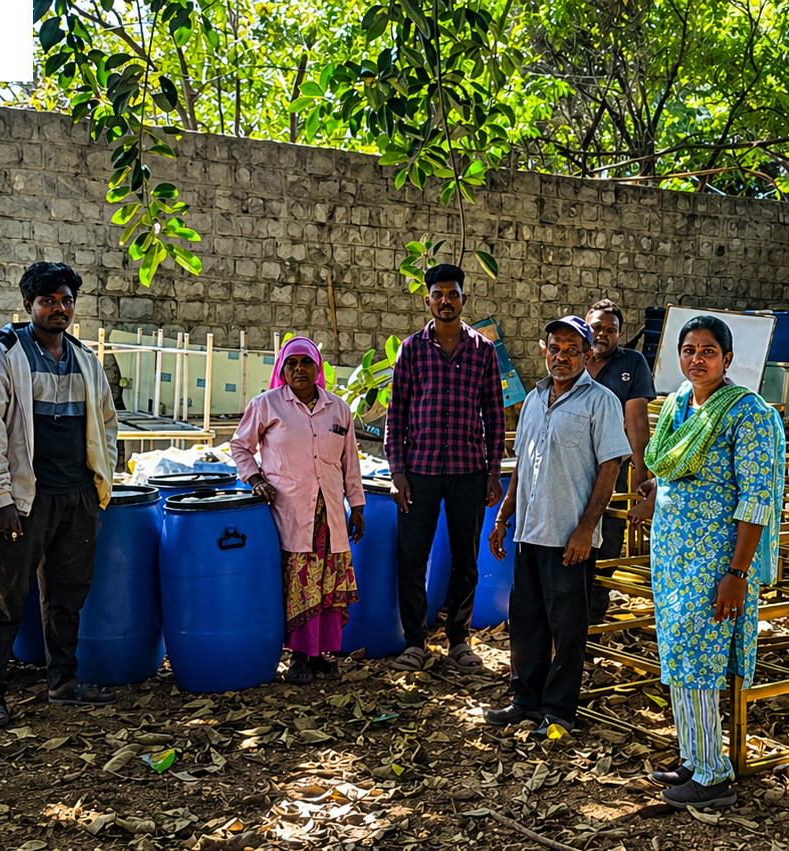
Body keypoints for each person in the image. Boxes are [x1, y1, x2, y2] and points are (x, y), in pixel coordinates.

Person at [638, 316, 783, 809]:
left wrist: (737, 574)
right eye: (688, 349)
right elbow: (676, 470)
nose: (696, 358)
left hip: (714, 561)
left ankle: (714, 778)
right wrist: (655, 489)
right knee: (679, 655)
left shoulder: (748, 414)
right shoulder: (680, 402)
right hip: (673, 555)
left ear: (727, 358)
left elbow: (757, 499)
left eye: (707, 350)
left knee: (699, 661)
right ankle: (692, 757)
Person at [0, 262, 119, 726]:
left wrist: (98, 485)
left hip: (76, 497)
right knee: (4, 596)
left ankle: (63, 681)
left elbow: (107, 425)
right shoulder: (4, 354)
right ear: (28, 304)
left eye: (66, 300)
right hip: (24, 501)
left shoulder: (84, 358)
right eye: (48, 300)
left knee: (68, 595)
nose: (59, 308)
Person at [486, 316, 631, 736]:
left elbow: (610, 468)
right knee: (526, 621)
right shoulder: (533, 399)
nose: (561, 356)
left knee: (567, 631)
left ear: (587, 356)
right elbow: (522, 470)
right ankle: (524, 701)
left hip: (571, 538)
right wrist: (502, 517)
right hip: (529, 532)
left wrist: (587, 529)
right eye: (555, 347)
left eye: (571, 350)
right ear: (543, 349)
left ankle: (559, 712)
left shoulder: (600, 401)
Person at [383, 264, 505, 673]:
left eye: (453, 294)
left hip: (469, 471)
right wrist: (396, 471)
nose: (446, 301)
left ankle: (459, 639)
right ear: (428, 301)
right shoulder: (411, 349)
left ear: (463, 300)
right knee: (412, 557)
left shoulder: (482, 351)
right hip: (419, 470)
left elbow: (494, 413)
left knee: (465, 558)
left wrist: (492, 472)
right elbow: (396, 412)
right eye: (439, 294)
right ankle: (414, 641)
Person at [230, 336, 365, 685]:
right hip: (289, 512)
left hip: (331, 512)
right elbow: (240, 446)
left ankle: (324, 653)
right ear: (283, 370)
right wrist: (256, 478)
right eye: (292, 364)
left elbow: (350, 463)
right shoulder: (267, 405)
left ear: (317, 368)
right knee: (299, 584)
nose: (299, 369)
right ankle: (300, 657)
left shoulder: (338, 408)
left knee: (328, 581)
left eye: (306, 362)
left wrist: (358, 506)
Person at [584, 299, 655, 626]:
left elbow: (637, 421)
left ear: (620, 334)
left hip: (613, 468)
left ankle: (593, 618)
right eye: (597, 327)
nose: (602, 334)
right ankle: (562, 614)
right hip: (571, 468)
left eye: (610, 330)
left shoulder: (633, 362)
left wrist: (642, 475)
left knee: (609, 542)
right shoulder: (572, 358)